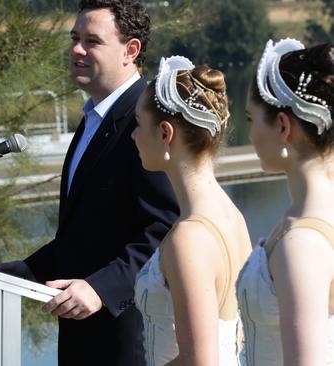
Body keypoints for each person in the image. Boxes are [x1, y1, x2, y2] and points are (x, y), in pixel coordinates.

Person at [0, 1, 179, 364]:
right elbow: (87, 230)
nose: (77, 49)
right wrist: (30, 269)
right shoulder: (94, 116)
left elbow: (165, 227)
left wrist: (102, 288)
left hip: (127, 337)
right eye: (75, 38)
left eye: (92, 41)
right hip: (83, 339)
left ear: (131, 50)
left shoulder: (145, 121)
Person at [132, 56, 252, 365]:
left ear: (165, 134)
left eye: (138, 124)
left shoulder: (189, 237)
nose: (133, 136)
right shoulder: (232, 215)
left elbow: (201, 361)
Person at [236, 39, 334, 365]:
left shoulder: (302, 242)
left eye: (252, 120)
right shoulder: (305, 219)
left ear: (282, 125)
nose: (250, 136)